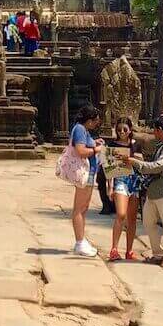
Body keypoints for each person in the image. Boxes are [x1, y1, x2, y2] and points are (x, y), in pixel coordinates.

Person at [120, 114, 163, 268]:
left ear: (160, 130)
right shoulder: (160, 146)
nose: (153, 133)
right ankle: (158, 253)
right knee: (148, 222)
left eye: (154, 130)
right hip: (153, 192)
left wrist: (135, 162)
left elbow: (157, 167)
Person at [68, 104, 103, 257]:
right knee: (79, 208)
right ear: (89, 120)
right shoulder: (80, 129)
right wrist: (96, 150)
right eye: (96, 121)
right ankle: (79, 242)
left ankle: (81, 240)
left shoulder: (84, 130)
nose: (97, 123)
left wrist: (95, 142)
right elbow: (80, 151)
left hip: (89, 172)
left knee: (84, 207)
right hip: (84, 172)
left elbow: (85, 145)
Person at [105, 118, 142, 261]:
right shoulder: (112, 145)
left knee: (132, 218)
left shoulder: (136, 145)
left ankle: (129, 250)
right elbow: (109, 169)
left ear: (130, 130)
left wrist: (132, 159)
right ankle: (114, 249)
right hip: (120, 179)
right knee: (121, 214)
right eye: (119, 129)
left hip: (133, 181)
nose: (122, 132)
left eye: (125, 129)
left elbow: (141, 163)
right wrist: (110, 187)